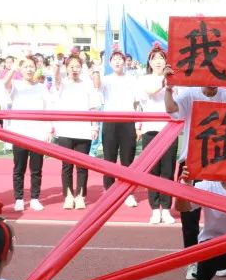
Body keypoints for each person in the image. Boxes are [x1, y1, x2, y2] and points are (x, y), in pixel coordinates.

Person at [164, 64, 226, 280]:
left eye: (217, 73)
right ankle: (192, 260)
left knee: (221, 212)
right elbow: (171, 109)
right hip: (192, 160)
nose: (212, 80)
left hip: (220, 161)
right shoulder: (190, 94)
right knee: (189, 215)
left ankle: (220, 259)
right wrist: (169, 88)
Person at [52, 54, 100, 210]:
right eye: (71, 66)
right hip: (65, 130)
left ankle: (80, 196)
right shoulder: (62, 84)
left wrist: (94, 126)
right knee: (67, 166)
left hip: (83, 131)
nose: (74, 69)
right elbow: (56, 77)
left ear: (81, 68)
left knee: (82, 166)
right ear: (66, 68)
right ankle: (68, 196)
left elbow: (93, 107)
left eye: (77, 66)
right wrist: (58, 63)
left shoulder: (87, 85)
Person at [138, 46, 179, 225]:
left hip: (169, 129)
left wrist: (171, 81)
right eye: (154, 58)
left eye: (161, 58)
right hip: (150, 129)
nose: (158, 61)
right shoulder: (144, 79)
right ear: (149, 62)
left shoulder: (175, 80)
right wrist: (165, 82)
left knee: (168, 171)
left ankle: (166, 208)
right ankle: (155, 209)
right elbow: (149, 91)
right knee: (152, 171)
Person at [94, 49, 140, 208]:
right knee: (109, 158)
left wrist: (138, 124)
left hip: (128, 120)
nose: (118, 61)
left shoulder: (132, 79)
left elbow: (136, 102)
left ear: (125, 62)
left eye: (120, 59)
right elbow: (97, 85)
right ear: (110, 62)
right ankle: (109, 191)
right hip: (110, 121)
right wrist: (97, 68)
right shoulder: (106, 79)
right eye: (114, 59)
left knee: (128, 159)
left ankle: (128, 193)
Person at [4, 58, 50, 211]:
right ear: (21, 69)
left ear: (36, 68)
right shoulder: (16, 85)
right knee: (19, 168)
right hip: (20, 133)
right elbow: (5, 84)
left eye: (32, 66)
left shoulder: (42, 88)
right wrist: (14, 68)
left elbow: (47, 109)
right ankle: (19, 198)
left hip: (37, 133)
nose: (29, 69)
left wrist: (48, 130)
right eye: (26, 67)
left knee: (36, 169)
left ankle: (35, 198)